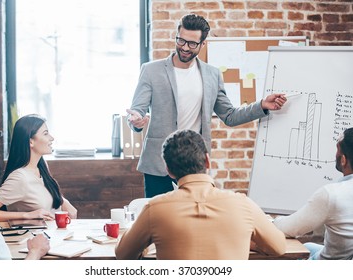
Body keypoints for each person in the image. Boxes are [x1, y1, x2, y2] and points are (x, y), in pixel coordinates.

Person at [126, 13, 287, 198]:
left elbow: (230, 115)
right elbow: (137, 110)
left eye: (192, 43)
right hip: (159, 163)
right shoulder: (151, 70)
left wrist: (262, 106)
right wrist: (135, 121)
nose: (185, 48)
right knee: (158, 221)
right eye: (181, 41)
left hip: (194, 163)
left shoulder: (212, 75)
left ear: (203, 44)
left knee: (193, 221)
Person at [115, 129, 286, 260]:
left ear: (168, 170)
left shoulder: (155, 208)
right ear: (207, 161)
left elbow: (123, 254)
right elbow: (279, 247)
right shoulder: (244, 204)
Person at [273, 127, 353, 260]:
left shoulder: (332, 194)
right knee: (309, 246)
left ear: (343, 160)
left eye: (337, 150)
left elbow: (287, 229)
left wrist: (270, 222)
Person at [0, 114, 77, 222]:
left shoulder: (40, 168)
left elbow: (42, 193)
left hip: (51, 235)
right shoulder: (20, 177)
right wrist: (27, 215)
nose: (51, 138)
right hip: (30, 238)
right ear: (31, 142)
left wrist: (64, 202)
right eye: (45, 134)